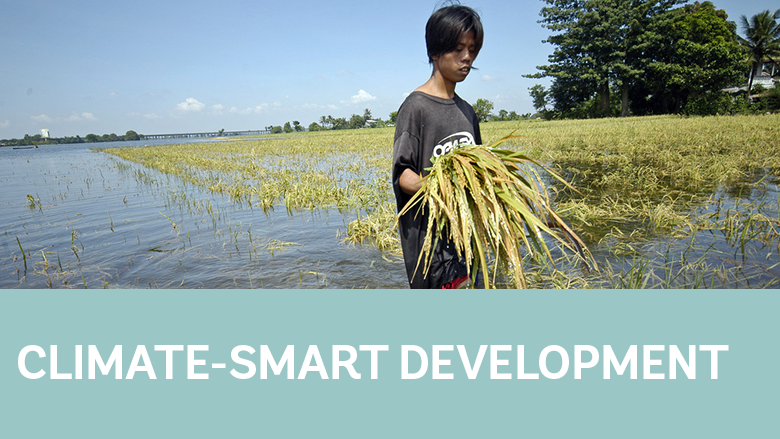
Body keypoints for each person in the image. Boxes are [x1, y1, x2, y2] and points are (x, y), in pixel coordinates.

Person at [392, 4, 484, 289]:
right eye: (458, 49)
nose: (467, 57)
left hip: (468, 242)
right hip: (432, 250)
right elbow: (403, 175)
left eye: (472, 49)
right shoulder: (416, 107)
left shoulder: (468, 112)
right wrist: (444, 187)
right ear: (435, 52)